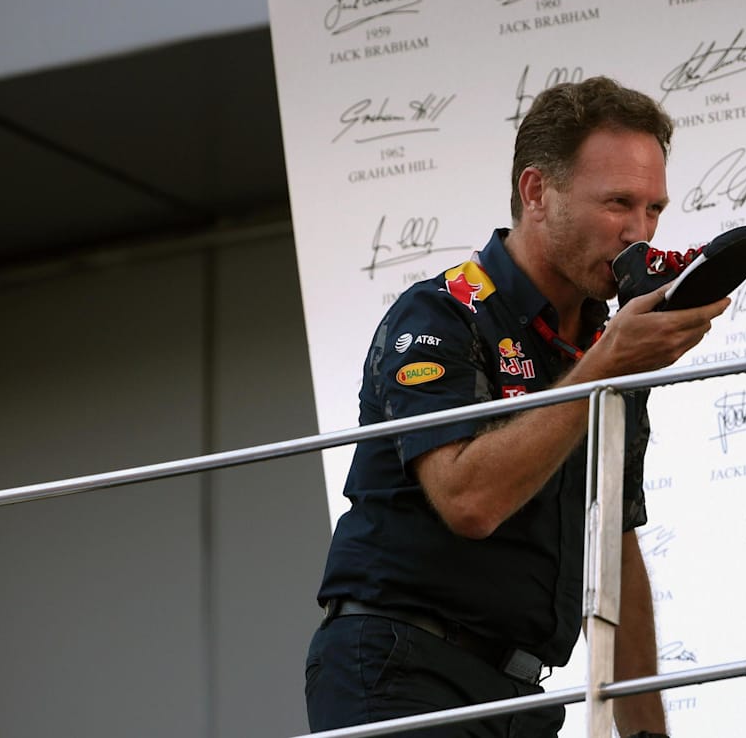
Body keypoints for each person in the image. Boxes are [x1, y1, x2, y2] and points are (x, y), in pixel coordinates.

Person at [305, 76, 724, 738]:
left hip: (519, 695)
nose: (639, 233)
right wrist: (605, 364)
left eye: (654, 209)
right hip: (402, 672)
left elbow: (612, 545)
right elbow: (468, 500)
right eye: (618, 203)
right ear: (537, 192)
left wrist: (648, 733)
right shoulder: (442, 312)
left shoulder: (606, 340)